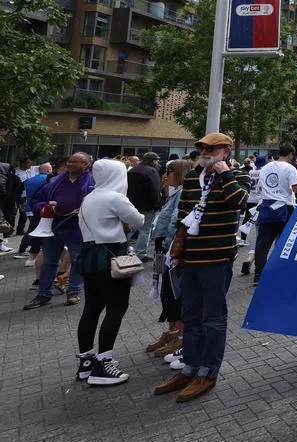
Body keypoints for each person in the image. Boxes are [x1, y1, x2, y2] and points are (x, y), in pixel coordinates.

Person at [154, 132, 249, 403]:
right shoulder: (193, 179)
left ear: (226, 151)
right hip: (191, 259)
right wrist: (178, 249)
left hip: (217, 260)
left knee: (213, 318)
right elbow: (183, 216)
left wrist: (226, 174)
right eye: (202, 148)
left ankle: (208, 372)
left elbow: (239, 203)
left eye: (212, 148)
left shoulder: (237, 177)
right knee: (191, 315)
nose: (205, 152)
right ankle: (189, 367)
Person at [74, 159, 145, 386]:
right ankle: (104, 363)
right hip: (111, 257)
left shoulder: (89, 197)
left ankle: (86, 361)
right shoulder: (115, 197)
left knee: (91, 309)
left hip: (89, 256)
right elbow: (138, 220)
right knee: (116, 307)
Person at [25, 153, 95, 310]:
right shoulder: (55, 181)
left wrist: (85, 209)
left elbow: (98, 202)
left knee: (78, 261)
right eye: (69, 161)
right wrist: (43, 208)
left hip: (77, 229)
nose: (70, 164)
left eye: (75, 162)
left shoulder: (92, 183)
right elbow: (37, 200)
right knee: (49, 261)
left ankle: (74, 290)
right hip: (53, 227)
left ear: (85, 165)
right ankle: (44, 293)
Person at [146, 159, 196, 367]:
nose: (165, 176)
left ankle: (179, 336)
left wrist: (169, 247)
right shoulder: (174, 193)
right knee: (165, 291)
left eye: (170, 172)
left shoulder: (184, 194)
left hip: (169, 250)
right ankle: (172, 331)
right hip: (162, 250)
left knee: (174, 293)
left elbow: (177, 223)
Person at [252, 144, 297, 286]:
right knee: (284, 242)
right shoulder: (290, 168)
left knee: (262, 244)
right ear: (291, 154)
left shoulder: (266, 167)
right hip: (285, 207)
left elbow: (260, 186)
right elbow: (295, 187)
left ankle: (258, 274)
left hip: (266, 207)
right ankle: (280, 272)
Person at [126, 152, 163, 262]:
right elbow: (155, 190)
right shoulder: (152, 171)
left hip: (132, 204)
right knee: (145, 230)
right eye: (156, 160)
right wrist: (157, 205)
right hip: (147, 206)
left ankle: (124, 248)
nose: (157, 162)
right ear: (153, 161)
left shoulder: (132, 170)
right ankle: (141, 254)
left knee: (131, 229)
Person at [17, 162, 51, 258]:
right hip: (40, 207)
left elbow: (20, 191)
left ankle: (25, 247)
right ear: (48, 170)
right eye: (51, 169)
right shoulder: (48, 180)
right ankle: (28, 248)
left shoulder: (29, 180)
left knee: (33, 228)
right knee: (35, 229)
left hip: (28, 207)